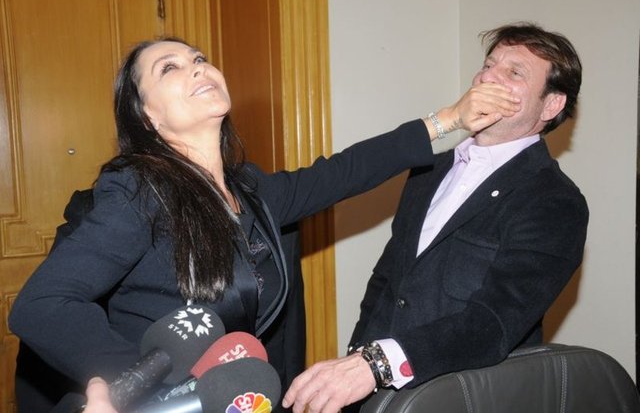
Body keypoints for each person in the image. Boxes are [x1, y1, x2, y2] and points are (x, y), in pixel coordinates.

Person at [8, 37, 520, 412]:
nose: (197, 68)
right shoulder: (139, 192)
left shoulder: (251, 190)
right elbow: (42, 305)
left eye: (199, 59)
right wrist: (141, 384)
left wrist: (450, 119)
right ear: (148, 117)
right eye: (170, 68)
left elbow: (344, 172)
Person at [282, 22, 588, 413]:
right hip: (375, 395)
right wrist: (360, 354)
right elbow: (388, 278)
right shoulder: (430, 168)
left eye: (514, 73)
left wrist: (377, 363)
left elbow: (492, 324)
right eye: (488, 65)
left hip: (463, 398)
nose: (487, 77)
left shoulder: (554, 200)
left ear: (550, 106)